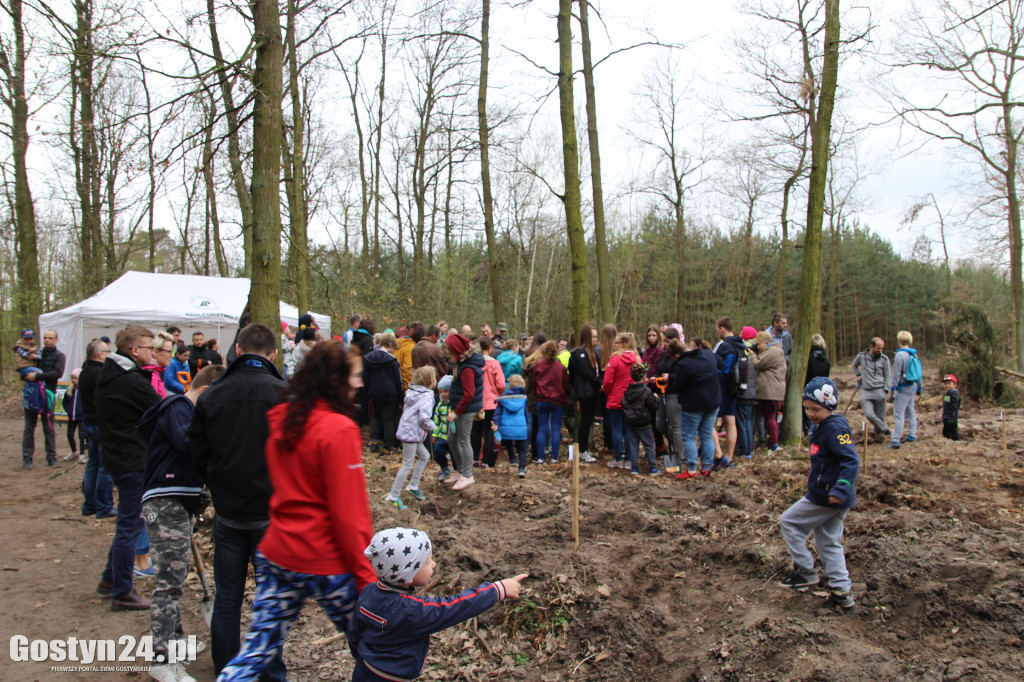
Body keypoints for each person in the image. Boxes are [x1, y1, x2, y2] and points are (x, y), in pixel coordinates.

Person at [217, 342, 377, 681]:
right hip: (326, 563)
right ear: (337, 378)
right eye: (357, 376)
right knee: (378, 644)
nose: (360, 384)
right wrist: (366, 577)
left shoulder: (284, 419)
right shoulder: (339, 429)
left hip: (279, 554)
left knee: (256, 652)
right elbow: (350, 514)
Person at [189, 324, 287, 680]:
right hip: (262, 513)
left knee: (228, 596)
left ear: (237, 349)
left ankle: (229, 670)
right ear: (273, 354)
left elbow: (198, 456)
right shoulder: (284, 394)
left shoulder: (212, 395)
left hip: (235, 512)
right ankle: (268, 672)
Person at [139, 364, 225, 682]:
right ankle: (162, 659)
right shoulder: (178, 407)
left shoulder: (185, 411)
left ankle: (174, 642)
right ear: (205, 393)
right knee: (168, 583)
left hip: (180, 503)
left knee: (174, 576)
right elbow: (189, 444)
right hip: (165, 504)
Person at [349, 527, 526, 682]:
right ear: (408, 575)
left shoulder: (369, 592)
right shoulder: (411, 611)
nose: (433, 564)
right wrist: (497, 589)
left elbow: (355, 631)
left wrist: (361, 656)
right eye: (426, 562)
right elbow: (453, 607)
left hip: (364, 671)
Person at [95, 326, 162, 611]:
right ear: (134, 350)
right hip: (131, 459)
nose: (153, 352)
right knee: (130, 526)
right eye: (149, 348)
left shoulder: (111, 373)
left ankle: (111, 579)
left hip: (120, 455)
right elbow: (162, 409)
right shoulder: (130, 381)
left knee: (128, 522)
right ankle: (123, 591)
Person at [778, 377, 859, 609]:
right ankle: (841, 590)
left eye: (817, 409)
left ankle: (805, 570)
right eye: (807, 409)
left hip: (828, 496)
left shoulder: (835, 429)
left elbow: (850, 460)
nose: (811, 413)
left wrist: (841, 488)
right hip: (828, 494)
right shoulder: (820, 427)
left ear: (830, 406)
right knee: (829, 542)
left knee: (789, 521)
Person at [386, 366, 437, 510]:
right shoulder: (427, 397)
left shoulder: (413, 393)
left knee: (425, 455)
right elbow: (424, 418)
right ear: (432, 381)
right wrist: (432, 426)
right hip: (411, 434)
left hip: (411, 432)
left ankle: (413, 485)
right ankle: (393, 496)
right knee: (407, 464)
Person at [674, 337, 721, 479]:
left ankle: (692, 469)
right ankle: (706, 467)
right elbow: (721, 363)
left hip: (694, 404)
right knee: (706, 435)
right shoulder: (709, 355)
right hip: (713, 401)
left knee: (689, 436)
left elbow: (678, 385)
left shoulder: (684, 364)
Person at [79, 339, 114, 518]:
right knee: (104, 466)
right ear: (100, 355)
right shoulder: (100, 373)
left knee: (93, 464)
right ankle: (103, 506)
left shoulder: (85, 371)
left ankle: (89, 504)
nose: (109, 354)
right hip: (100, 424)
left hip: (89, 423)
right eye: (107, 351)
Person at [444, 333, 484, 491]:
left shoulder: (467, 368)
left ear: (457, 352)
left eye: (449, 356)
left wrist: (456, 412)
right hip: (459, 407)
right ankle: (460, 471)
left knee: (463, 440)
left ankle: (468, 475)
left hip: (466, 409)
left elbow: (469, 394)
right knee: (451, 438)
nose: (448, 359)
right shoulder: (461, 364)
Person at [22, 329, 65, 468]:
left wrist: (37, 376)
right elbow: (23, 370)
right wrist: (27, 375)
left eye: (50, 338)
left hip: (47, 394)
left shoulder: (59, 356)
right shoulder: (35, 355)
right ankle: (27, 458)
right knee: (29, 427)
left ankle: (51, 457)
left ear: (56, 340)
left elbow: (57, 373)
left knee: (48, 427)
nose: (47, 340)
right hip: (32, 393)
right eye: (45, 338)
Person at [362, 333, 403, 455]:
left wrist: (368, 391)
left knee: (376, 416)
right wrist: (401, 399)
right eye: (393, 348)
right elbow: (398, 380)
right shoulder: (392, 360)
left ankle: (374, 441)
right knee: (388, 420)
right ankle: (387, 446)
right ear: (390, 345)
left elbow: (365, 377)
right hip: (390, 394)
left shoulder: (369, 358)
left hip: (374, 392)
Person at [602, 332, 638, 469]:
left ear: (623, 344)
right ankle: (628, 459)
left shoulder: (615, 359)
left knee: (617, 428)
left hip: (616, 397)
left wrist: (608, 392)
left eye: (616, 342)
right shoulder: (636, 358)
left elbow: (607, 381)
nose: (614, 344)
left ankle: (618, 458)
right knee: (628, 429)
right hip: (632, 398)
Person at [713, 317, 746, 469]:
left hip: (721, 387)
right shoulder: (741, 344)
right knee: (730, 423)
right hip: (734, 387)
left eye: (718, 328)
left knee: (709, 423)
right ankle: (729, 456)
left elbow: (715, 365)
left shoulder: (724, 346)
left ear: (722, 328)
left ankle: (718, 454)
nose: (717, 331)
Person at [568, 323, 602, 463]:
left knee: (587, 422)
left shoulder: (592, 352)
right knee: (585, 422)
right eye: (593, 337)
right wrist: (599, 383)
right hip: (585, 392)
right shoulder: (579, 353)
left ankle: (584, 449)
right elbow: (585, 372)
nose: (595, 339)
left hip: (592, 392)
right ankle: (582, 451)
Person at [621, 363, 662, 476]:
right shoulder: (646, 391)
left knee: (633, 445)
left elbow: (623, 403)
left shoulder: (628, 391)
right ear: (643, 376)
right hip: (644, 422)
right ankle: (653, 468)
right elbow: (653, 406)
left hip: (632, 422)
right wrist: (656, 399)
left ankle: (635, 468)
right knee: (649, 444)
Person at [533, 340, 570, 464]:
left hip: (542, 400)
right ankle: (554, 457)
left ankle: (540, 457)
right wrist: (566, 395)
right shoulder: (561, 368)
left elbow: (534, 381)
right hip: (557, 400)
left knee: (541, 428)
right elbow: (566, 385)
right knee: (555, 429)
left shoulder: (539, 365)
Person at [751, 330, 787, 453]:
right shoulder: (776, 351)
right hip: (774, 389)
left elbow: (759, 364)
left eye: (759, 344)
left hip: (770, 390)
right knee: (771, 417)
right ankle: (772, 441)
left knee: (770, 417)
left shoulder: (773, 352)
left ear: (766, 343)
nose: (758, 347)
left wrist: (753, 355)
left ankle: (773, 443)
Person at [473, 336, 506, 467]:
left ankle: (475, 458)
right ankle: (486, 461)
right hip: (491, 402)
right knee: (488, 431)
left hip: (476, 402)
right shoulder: (495, 364)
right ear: (490, 348)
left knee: (475, 430)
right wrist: (497, 393)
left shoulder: (473, 363)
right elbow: (501, 384)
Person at [654, 331, 685, 472]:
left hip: (674, 393)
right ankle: (676, 446)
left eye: (667, 341)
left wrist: (670, 377)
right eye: (664, 341)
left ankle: (680, 456)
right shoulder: (663, 354)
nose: (665, 344)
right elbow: (659, 369)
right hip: (662, 392)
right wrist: (655, 378)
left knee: (676, 426)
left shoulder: (680, 356)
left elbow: (682, 374)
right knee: (660, 423)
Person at [852, 338, 891, 442]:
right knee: (869, 414)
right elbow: (854, 365)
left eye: (882, 348)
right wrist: (858, 375)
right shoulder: (861, 356)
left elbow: (888, 376)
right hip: (866, 391)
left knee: (880, 416)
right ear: (872, 346)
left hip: (880, 391)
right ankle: (885, 429)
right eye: (878, 348)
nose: (880, 350)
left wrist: (886, 390)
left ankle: (878, 437)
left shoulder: (884, 359)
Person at [888, 330, 922, 449]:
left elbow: (896, 375)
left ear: (899, 340)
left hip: (903, 388)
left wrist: (892, 391)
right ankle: (912, 435)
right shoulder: (914, 354)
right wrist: (920, 387)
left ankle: (896, 440)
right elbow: (919, 373)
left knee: (898, 414)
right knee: (910, 411)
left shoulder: (900, 355)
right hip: (913, 386)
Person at [493, 374, 530, 477]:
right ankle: (522, 469)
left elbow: (497, 413)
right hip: (520, 427)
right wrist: (525, 424)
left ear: (509, 386)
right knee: (521, 449)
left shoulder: (503, 399)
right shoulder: (523, 399)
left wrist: (495, 423)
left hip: (506, 427)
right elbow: (526, 414)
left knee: (508, 442)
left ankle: (512, 459)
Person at [735, 327, 759, 460]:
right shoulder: (755, 353)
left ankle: (745, 449)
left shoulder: (743, 355)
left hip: (743, 393)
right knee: (749, 422)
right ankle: (749, 448)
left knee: (742, 422)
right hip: (752, 392)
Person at [432, 375, 454, 480]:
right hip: (442, 435)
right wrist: (435, 434)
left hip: (453, 436)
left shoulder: (454, 405)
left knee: (455, 456)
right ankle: (444, 468)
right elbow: (437, 421)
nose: (443, 394)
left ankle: (458, 471)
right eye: (440, 392)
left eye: (446, 391)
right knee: (437, 452)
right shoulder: (440, 405)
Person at [62, 368, 85, 462]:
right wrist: (69, 410)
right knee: (69, 434)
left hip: (82, 417)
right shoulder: (69, 390)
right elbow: (65, 402)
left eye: (75, 378)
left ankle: (82, 454)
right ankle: (74, 451)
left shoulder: (84, 390)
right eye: (72, 378)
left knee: (82, 435)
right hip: (72, 417)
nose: (73, 380)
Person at [395, 323, 422, 391]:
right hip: (403, 386)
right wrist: (408, 388)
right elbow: (407, 369)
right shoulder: (410, 347)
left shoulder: (397, 343)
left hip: (394, 383)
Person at [942, 374, 961, 441]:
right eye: (946, 384)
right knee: (946, 431)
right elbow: (946, 404)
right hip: (946, 416)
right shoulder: (947, 393)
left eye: (949, 383)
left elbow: (954, 406)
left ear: (955, 384)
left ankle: (956, 442)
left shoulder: (954, 394)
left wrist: (951, 416)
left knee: (952, 431)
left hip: (951, 417)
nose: (947, 385)